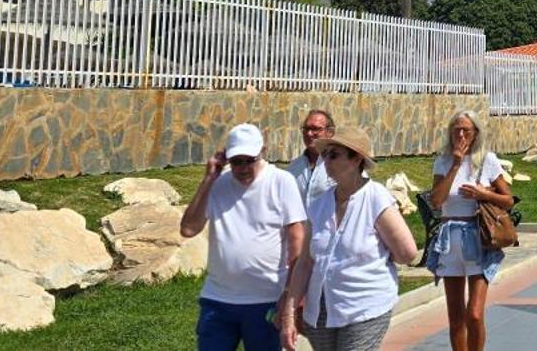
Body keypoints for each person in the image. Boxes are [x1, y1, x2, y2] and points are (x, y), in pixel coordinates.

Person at [279, 127, 418, 351]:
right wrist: (289, 313)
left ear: (356, 160)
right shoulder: (319, 205)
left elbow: (407, 253)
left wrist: (375, 259)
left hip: (364, 306)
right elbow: (305, 263)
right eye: (325, 155)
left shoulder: (376, 198)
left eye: (334, 155)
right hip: (321, 310)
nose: (326, 161)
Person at [179, 123, 307, 351]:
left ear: (263, 153)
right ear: (227, 158)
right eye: (237, 161)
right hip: (218, 300)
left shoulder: (281, 181)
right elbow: (188, 229)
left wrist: (289, 296)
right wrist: (208, 180)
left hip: (266, 300)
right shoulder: (217, 185)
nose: (244, 167)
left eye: (250, 160)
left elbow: (297, 239)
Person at [428, 110, 514, 351]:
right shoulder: (443, 161)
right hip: (449, 239)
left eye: (466, 130)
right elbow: (436, 201)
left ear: (476, 133)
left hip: (477, 238)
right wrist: (455, 164)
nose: (461, 134)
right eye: (456, 130)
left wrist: (482, 194)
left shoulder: (487, 160)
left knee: (474, 313)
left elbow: (508, 200)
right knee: (455, 318)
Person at [285, 109, 336, 207]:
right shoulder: (293, 169)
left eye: (315, 129)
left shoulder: (343, 166)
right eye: (306, 128)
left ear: (330, 132)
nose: (309, 133)